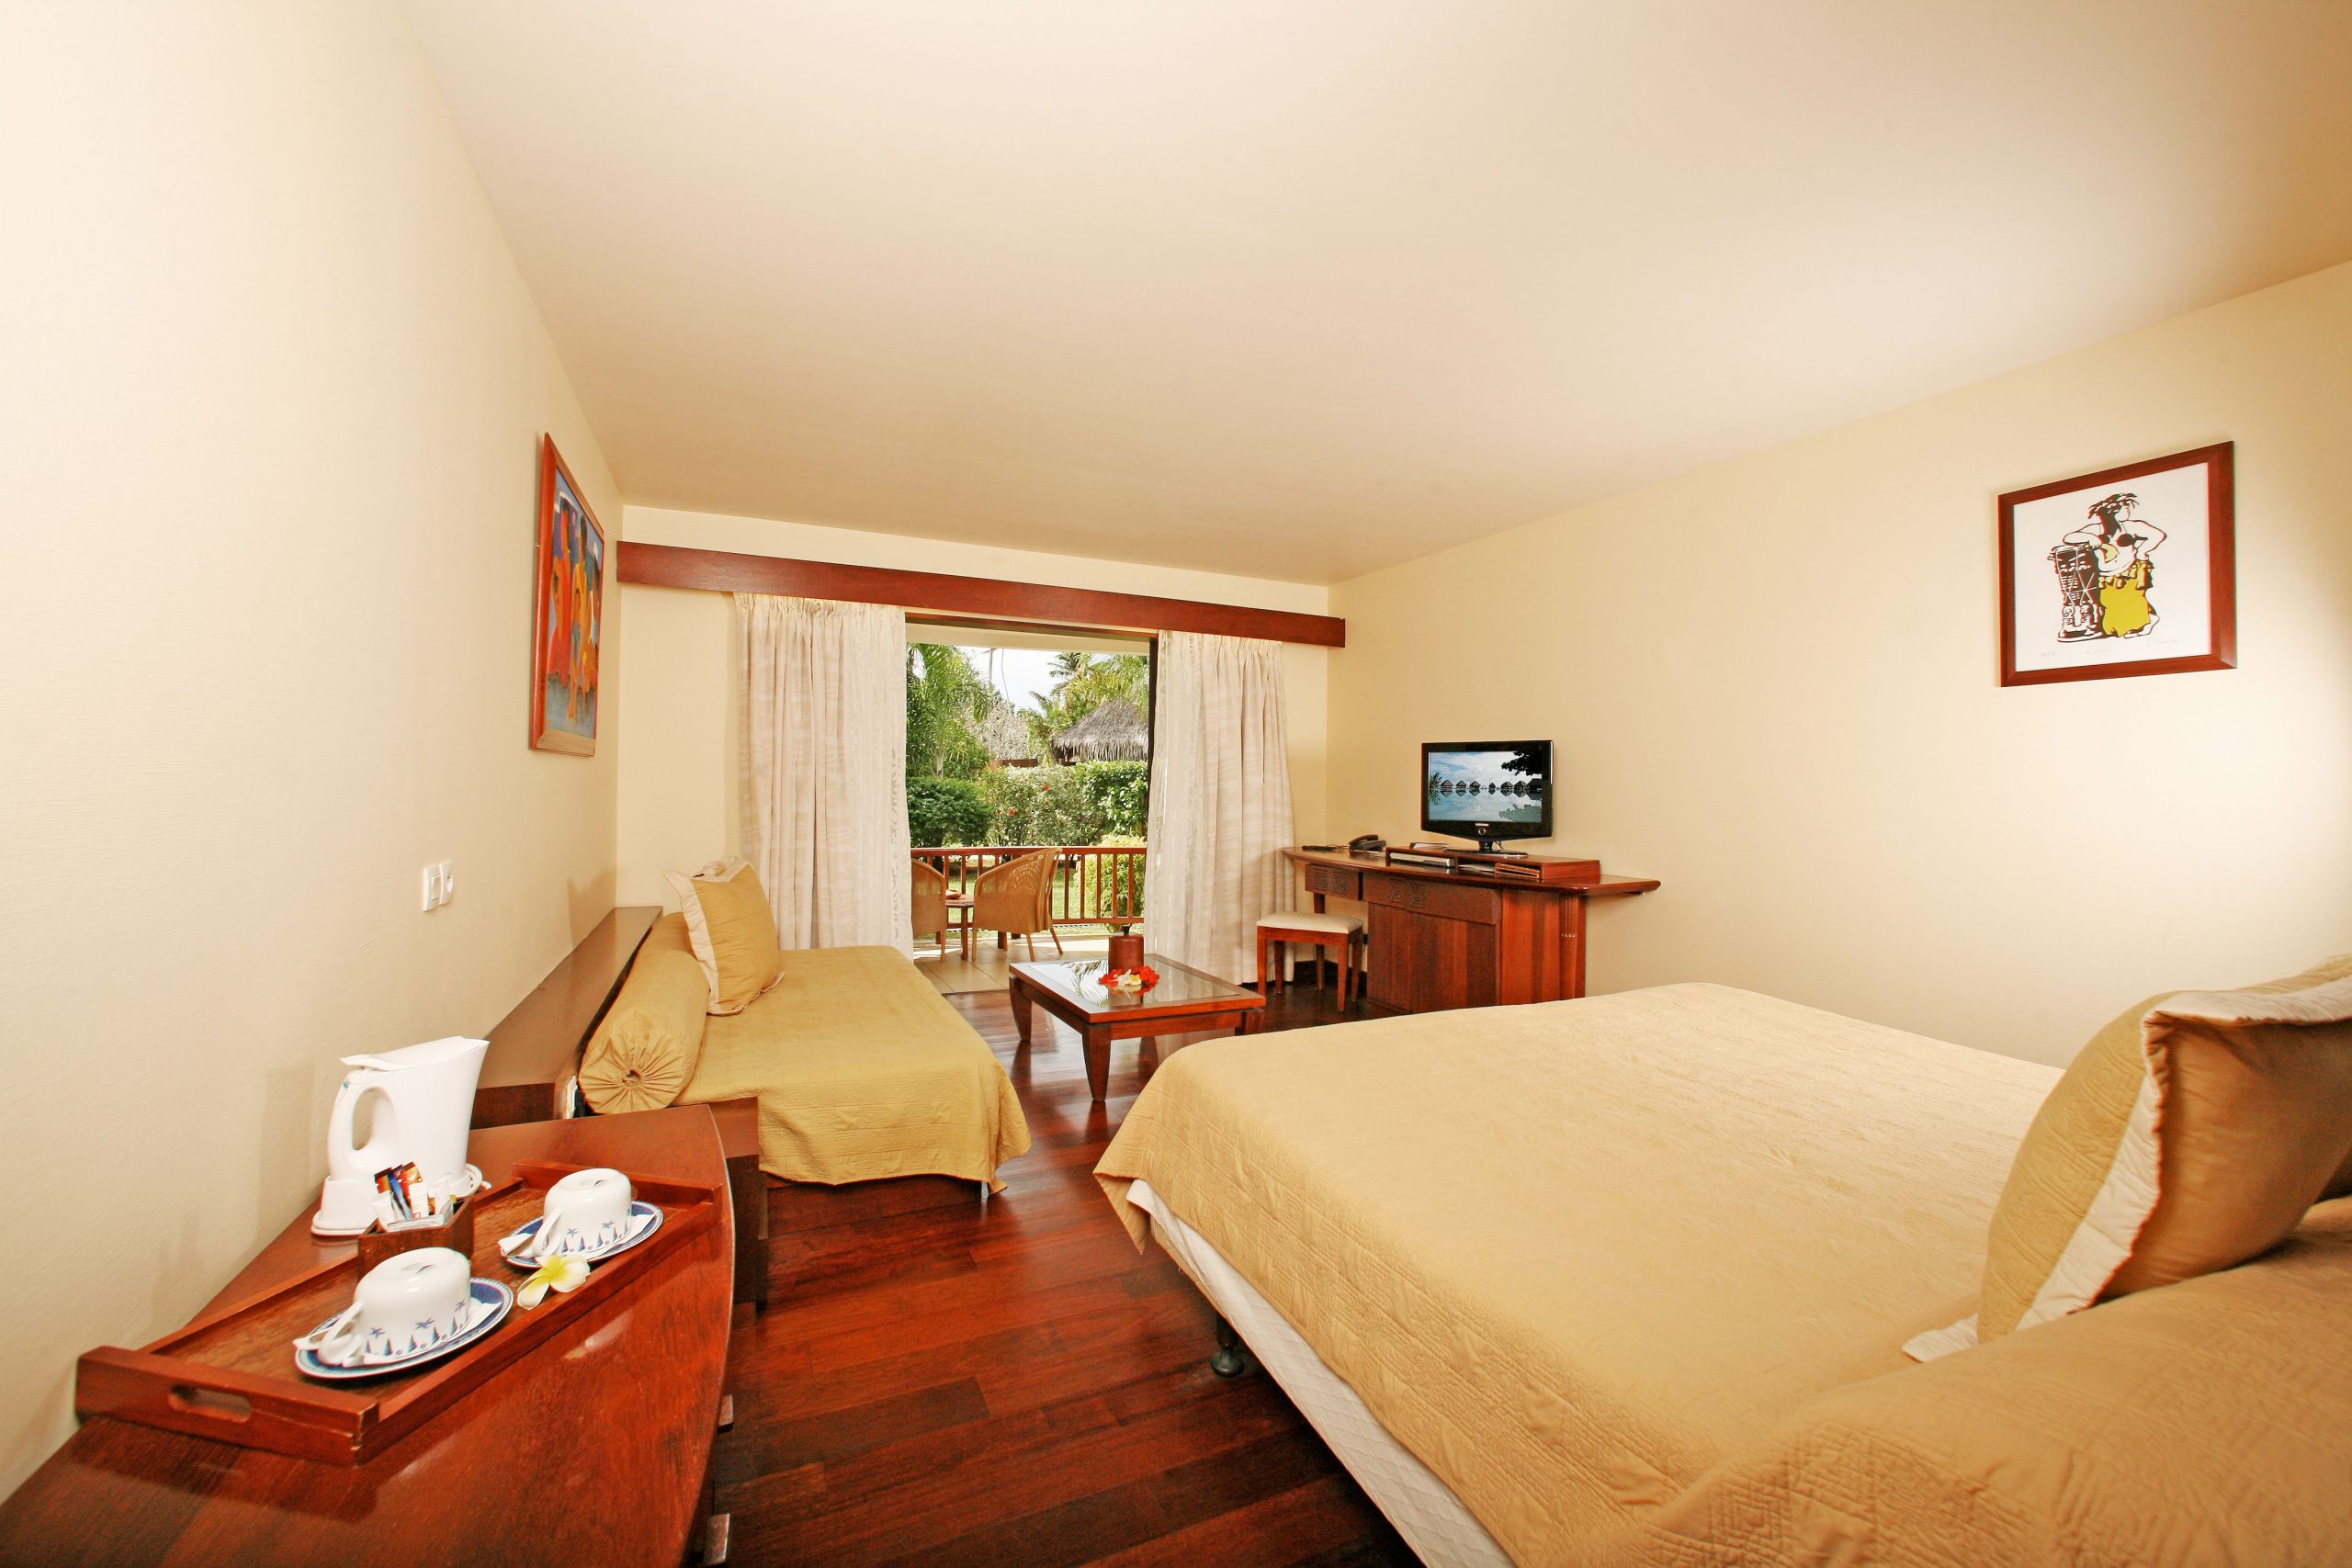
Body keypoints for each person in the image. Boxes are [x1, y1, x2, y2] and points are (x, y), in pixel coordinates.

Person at [2061, 492, 2165, 638]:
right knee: (2110, 610)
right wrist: (2090, 537)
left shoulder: (2131, 526)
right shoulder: (2096, 529)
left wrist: (2142, 551)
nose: (2128, 511)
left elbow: (2158, 535)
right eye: (2125, 508)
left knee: (2134, 598)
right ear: (2113, 511)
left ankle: (2145, 623)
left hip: (2130, 569)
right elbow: (2069, 537)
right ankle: (2143, 620)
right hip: (2107, 575)